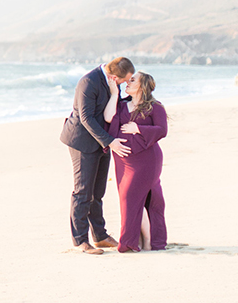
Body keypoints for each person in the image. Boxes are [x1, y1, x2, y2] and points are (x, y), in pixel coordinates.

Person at [60, 57, 135, 255]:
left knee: (98, 191)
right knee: (83, 191)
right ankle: (80, 241)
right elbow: (86, 118)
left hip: (102, 141)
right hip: (82, 141)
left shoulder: (113, 83)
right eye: (123, 81)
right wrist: (110, 141)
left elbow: (114, 108)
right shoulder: (88, 82)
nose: (124, 84)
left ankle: (100, 236)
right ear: (113, 76)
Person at [104, 71, 168, 252]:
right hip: (124, 161)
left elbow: (162, 130)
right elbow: (108, 118)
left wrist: (138, 128)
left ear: (142, 85)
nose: (128, 82)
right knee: (131, 199)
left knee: (131, 198)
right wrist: (115, 94)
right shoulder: (122, 105)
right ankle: (138, 240)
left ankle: (145, 241)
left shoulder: (155, 107)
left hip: (147, 160)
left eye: (133, 80)